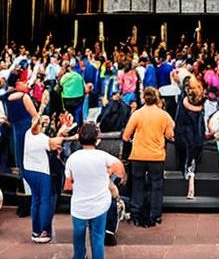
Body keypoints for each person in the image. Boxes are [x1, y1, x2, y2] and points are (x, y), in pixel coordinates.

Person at [65, 122, 126, 259]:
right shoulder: (103, 157)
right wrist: (108, 173)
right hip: (100, 205)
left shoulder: (72, 158)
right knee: (98, 238)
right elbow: (121, 171)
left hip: (79, 206)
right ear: (97, 139)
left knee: (78, 238)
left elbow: (68, 185)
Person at [122, 87, 174, 227]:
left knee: (137, 184)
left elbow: (126, 136)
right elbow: (170, 135)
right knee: (156, 185)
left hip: (138, 155)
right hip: (157, 156)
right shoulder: (164, 115)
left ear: (143, 98)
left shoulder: (137, 114)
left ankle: (136, 212)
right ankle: (155, 214)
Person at [23, 114, 65, 243]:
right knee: (45, 201)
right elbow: (55, 143)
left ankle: (36, 231)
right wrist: (63, 131)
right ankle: (43, 231)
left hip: (28, 171)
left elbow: (52, 145)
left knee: (36, 200)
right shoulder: (41, 138)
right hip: (41, 173)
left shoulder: (27, 134)